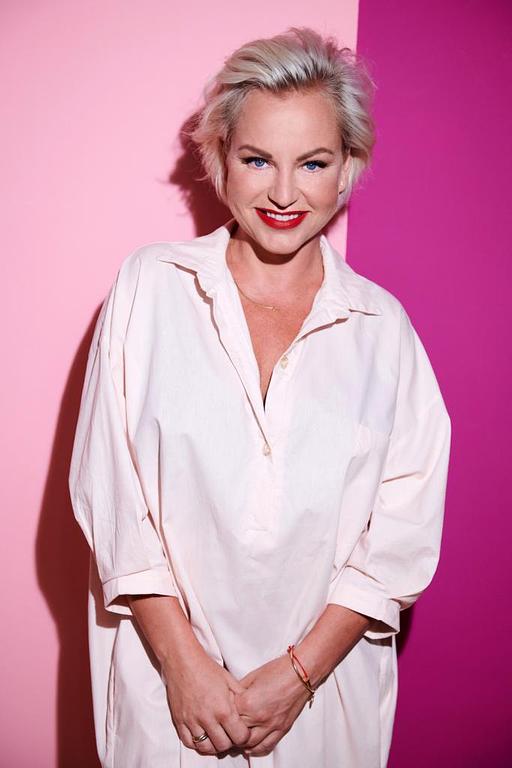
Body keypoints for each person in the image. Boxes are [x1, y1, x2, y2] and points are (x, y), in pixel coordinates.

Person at [68, 26, 451, 768]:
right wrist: (184, 668)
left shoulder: (385, 330)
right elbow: (110, 494)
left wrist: (296, 678)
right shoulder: (151, 288)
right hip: (167, 695)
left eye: (313, 162)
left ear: (347, 169)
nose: (283, 193)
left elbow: (400, 539)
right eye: (257, 160)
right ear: (219, 159)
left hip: (325, 700)